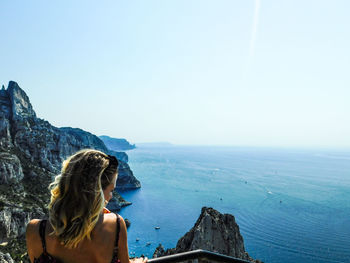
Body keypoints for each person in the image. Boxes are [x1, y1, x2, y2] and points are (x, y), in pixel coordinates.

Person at [26, 149, 147, 263]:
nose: (111, 196)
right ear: (97, 194)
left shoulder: (36, 231)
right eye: (111, 190)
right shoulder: (115, 224)